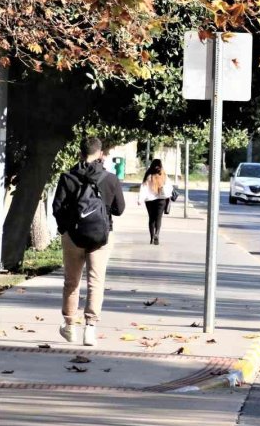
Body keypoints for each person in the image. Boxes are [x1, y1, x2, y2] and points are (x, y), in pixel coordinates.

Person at [51, 137, 126, 346]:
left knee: (71, 282)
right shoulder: (110, 178)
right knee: (95, 282)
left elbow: (57, 208)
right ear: (100, 154)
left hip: (73, 237)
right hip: (101, 237)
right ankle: (90, 329)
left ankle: (70, 327)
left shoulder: (67, 177)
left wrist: (65, 229)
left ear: (80, 153)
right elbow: (119, 210)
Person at [138, 159, 174, 245]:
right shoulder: (164, 175)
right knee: (158, 218)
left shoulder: (148, 175)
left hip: (149, 200)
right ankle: (157, 234)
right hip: (161, 199)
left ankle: (151, 238)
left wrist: (140, 199)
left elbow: (144, 188)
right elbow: (170, 187)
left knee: (151, 219)